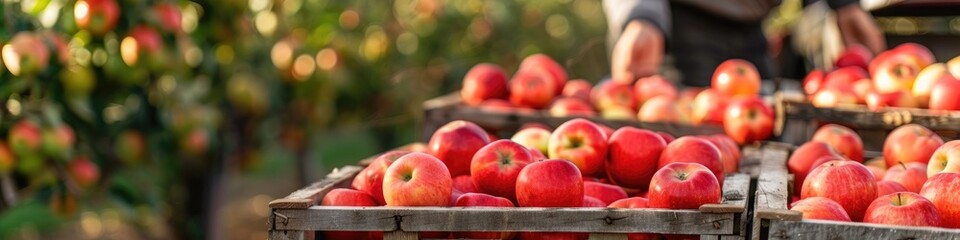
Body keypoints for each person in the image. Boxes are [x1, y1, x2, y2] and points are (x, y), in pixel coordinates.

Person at [603, 0, 886, 86]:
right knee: (679, 141)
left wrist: (845, 5)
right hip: (679, 28)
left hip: (753, 28)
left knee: (757, 144)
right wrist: (642, 15)